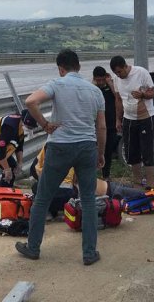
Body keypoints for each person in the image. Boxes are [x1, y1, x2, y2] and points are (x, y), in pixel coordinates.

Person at [16, 49, 106, 266]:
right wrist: (100, 153)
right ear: (79, 67)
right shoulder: (95, 91)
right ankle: (89, 253)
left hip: (60, 147)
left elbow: (30, 102)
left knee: (42, 198)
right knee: (88, 200)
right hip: (87, 147)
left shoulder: (57, 84)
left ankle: (33, 247)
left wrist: (45, 125)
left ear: (61, 68)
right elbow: (101, 126)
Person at [110, 55, 154, 187]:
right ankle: (137, 180)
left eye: (120, 71)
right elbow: (118, 100)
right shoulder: (116, 79)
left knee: (147, 149)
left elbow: (153, 93)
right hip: (128, 118)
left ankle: (151, 181)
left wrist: (143, 95)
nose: (119, 75)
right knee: (131, 150)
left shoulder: (141, 72)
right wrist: (118, 119)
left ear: (125, 66)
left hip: (145, 117)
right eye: (115, 73)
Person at [92, 66, 122, 180]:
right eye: (97, 80)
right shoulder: (93, 89)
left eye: (102, 80)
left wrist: (110, 83)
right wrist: (93, 85)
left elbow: (118, 98)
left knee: (108, 151)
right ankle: (92, 175)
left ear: (105, 77)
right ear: (94, 79)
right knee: (93, 151)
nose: (100, 82)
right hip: (96, 126)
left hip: (110, 125)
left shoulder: (110, 87)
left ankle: (106, 175)